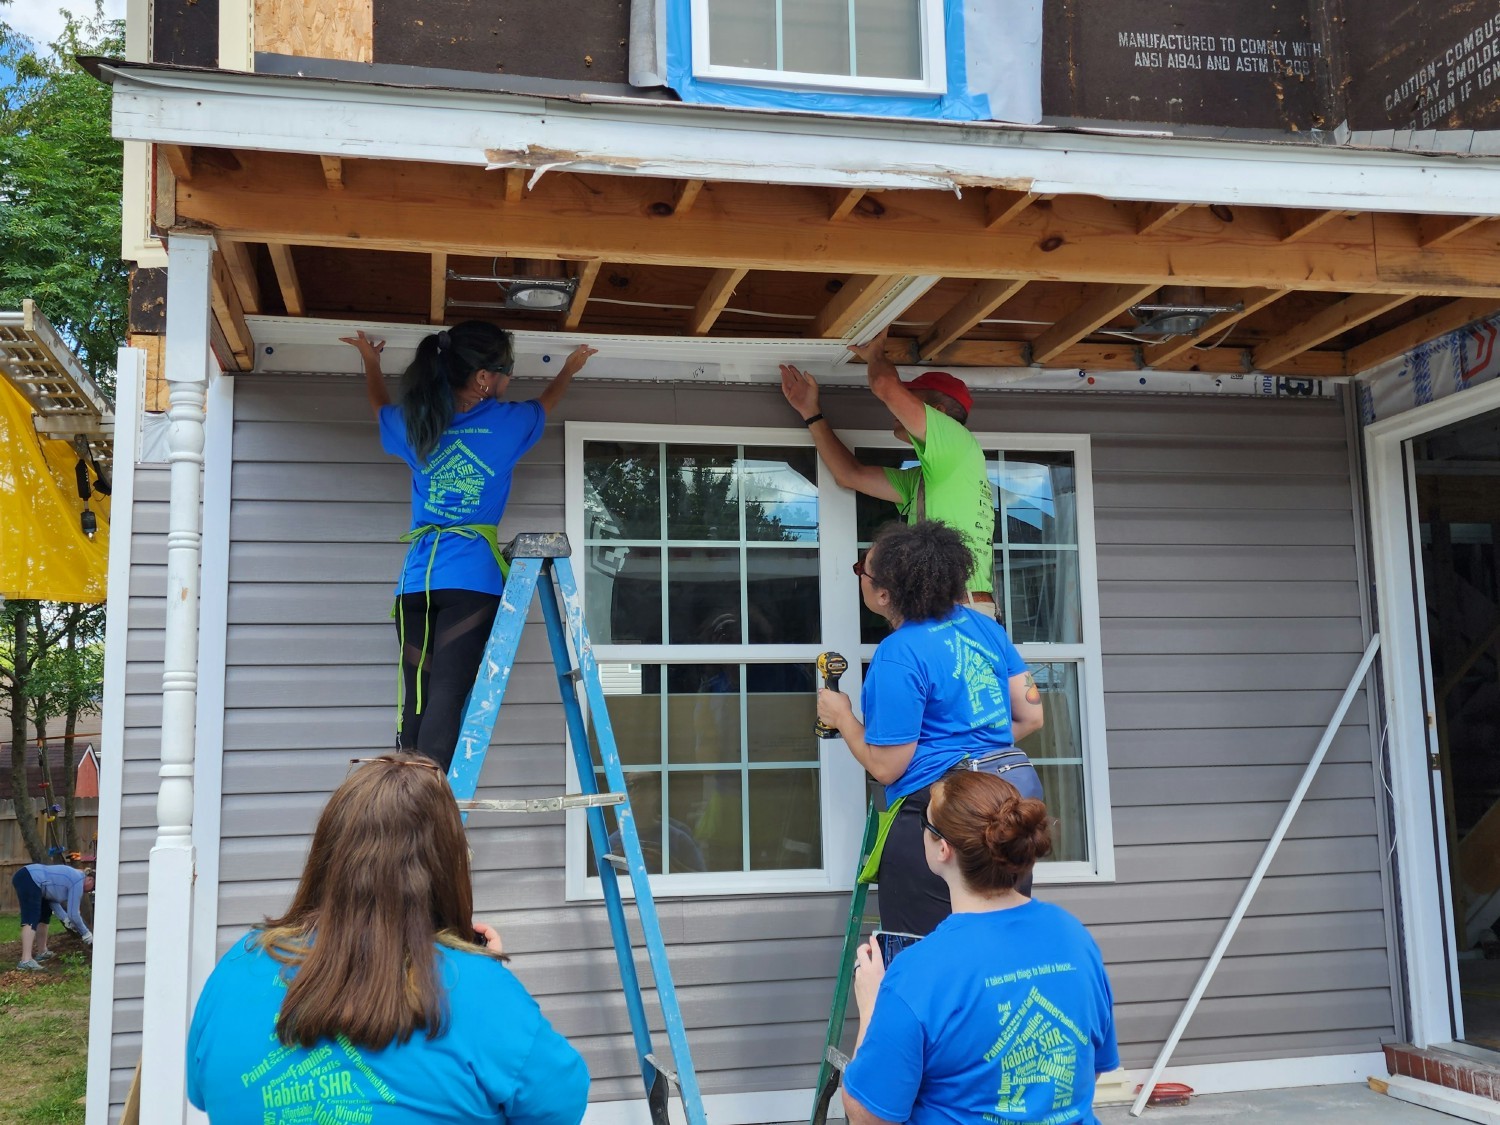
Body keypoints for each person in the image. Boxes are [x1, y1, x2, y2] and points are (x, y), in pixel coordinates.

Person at [187, 753, 589, 1125]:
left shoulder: (238, 965)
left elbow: (202, 1093)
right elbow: (559, 1107)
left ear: (329, 855)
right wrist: (481, 978)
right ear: (444, 869)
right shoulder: (482, 991)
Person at [343, 324, 597, 770]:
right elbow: (548, 403)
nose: (510, 381)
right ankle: (431, 801)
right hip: (470, 582)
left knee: (416, 690)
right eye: (507, 372)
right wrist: (570, 367)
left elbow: (380, 408)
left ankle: (406, 796)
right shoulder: (508, 422)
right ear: (484, 378)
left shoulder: (418, 420)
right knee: (447, 691)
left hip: (415, 583)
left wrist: (370, 360)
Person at [842, 770, 1118, 1125]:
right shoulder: (1073, 936)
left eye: (924, 826)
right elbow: (1088, 1070)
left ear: (943, 848)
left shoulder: (916, 972)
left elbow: (868, 1116)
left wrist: (871, 1008)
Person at [817, 521, 1044, 935]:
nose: (860, 580)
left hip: (941, 822)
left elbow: (886, 767)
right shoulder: (986, 629)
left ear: (883, 594)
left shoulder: (899, 654)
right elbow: (1031, 716)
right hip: (1008, 807)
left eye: (861, 572)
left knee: (925, 957)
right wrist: (974, 750)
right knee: (1000, 950)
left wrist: (842, 717)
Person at [780, 326, 997, 615]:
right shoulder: (927, 478)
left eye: (908, 399)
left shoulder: (957, 442)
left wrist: (875, 354)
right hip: (949, 609)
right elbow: (850, 475)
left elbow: (884, 383)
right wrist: (811, 412)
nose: (894, 409)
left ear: (939, 414)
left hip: (958, 610)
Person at [11, 863, 94, 970]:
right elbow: (73, 914)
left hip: (35, 881)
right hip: (30, 877)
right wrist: (86, 934)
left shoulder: (75, 878)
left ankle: (42, 952)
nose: (90, 891)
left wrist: (65, 919)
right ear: (90, 879)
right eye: (93, 887)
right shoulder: (78, 880)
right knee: (31, 918)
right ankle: (25, 960)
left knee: (44, 917)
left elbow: (52, 900)